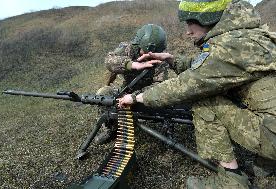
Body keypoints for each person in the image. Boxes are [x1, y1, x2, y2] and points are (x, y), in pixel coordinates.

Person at [118, 0, 276, 188]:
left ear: (205, 19)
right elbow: (210, 67)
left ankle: (231, 181)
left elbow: (185, 86)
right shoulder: (247, 36)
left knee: (203, 100)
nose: (187, 31)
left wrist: (135, 98)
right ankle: (268, 163)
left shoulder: (226, 49)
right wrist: (172, 59)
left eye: (189, 23)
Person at [94, 24, 168, 144]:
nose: (147, 55)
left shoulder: (161, 59)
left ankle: (166, 126)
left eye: (151, 54)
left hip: (146, 95)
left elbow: (159, 85)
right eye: (145, 51)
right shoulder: (127, 48)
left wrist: (136, 97)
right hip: (126, 92)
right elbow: (109, 61)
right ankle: (110, 128)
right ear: (138, 44)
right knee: (103, 93)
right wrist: (132, 65)